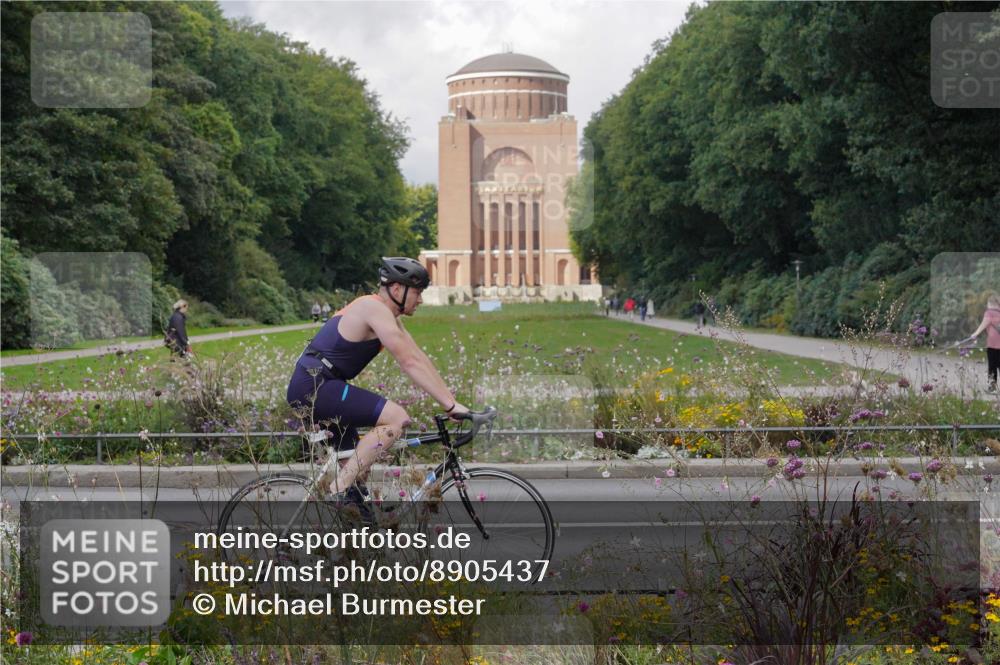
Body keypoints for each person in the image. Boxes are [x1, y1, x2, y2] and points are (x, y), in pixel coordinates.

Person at [286, 257, 469, 503]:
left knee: (357, 476)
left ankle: (359, 529)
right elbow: (409, 363)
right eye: (417, 292)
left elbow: (418, 358)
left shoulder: (388, 317)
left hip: (325, 384)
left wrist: (451, 402)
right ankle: (337, 489)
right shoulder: (373, 309)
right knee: (396, 418)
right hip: (316, 386)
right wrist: (449, 405)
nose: (421, 299)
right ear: (396, 289)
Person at [958, 294, 1000, 392]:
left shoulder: (989, 312)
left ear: (990, 303)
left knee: (992, 366)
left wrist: (975, 334)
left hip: (993, 344)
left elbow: (984, 324)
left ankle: (992, 388)